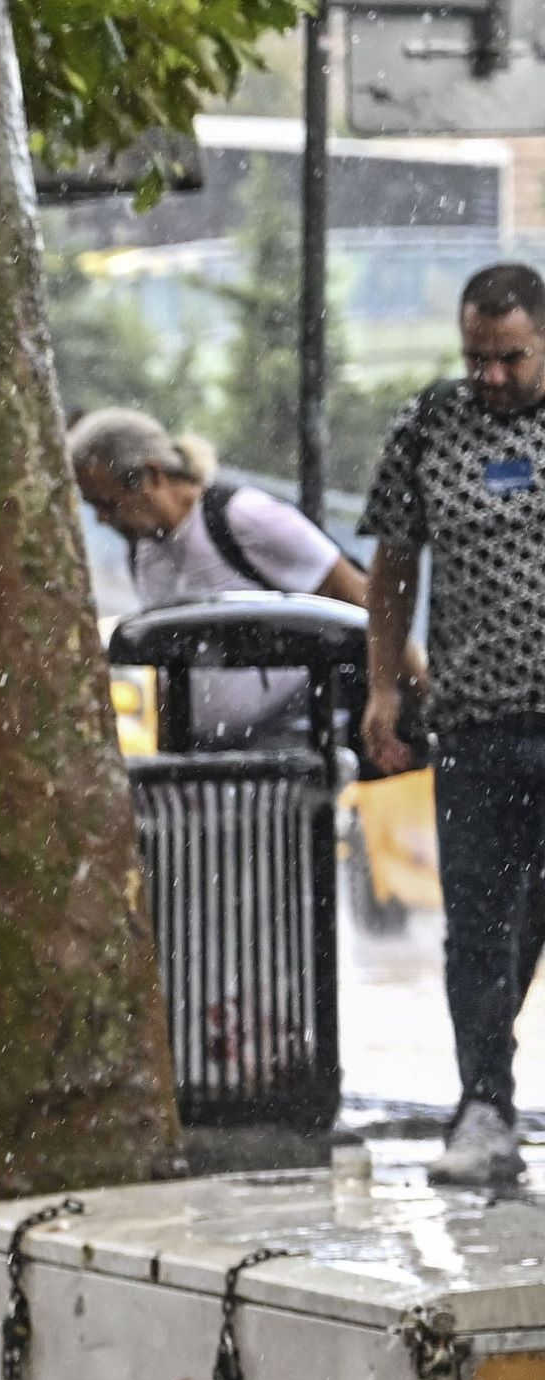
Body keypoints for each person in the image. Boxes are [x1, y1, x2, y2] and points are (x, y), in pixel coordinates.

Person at [366, 261, 545, 1185]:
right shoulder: (429, 424)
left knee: (525, 925)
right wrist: (386, 685)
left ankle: (492, 1086)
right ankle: (484, 1107)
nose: (493, 378)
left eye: (510, 358)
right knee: (479, 920)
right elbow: (393, 564)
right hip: (475, 717)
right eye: (478, 357)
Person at [66, 407, 373, 746]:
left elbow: (361, 600)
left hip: (297, 738)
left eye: (108, 503)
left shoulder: (245, 519)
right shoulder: (142, 553)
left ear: (150, 476)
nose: (102, 520)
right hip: (208, 752)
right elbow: (168, 664)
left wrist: (410, 693)